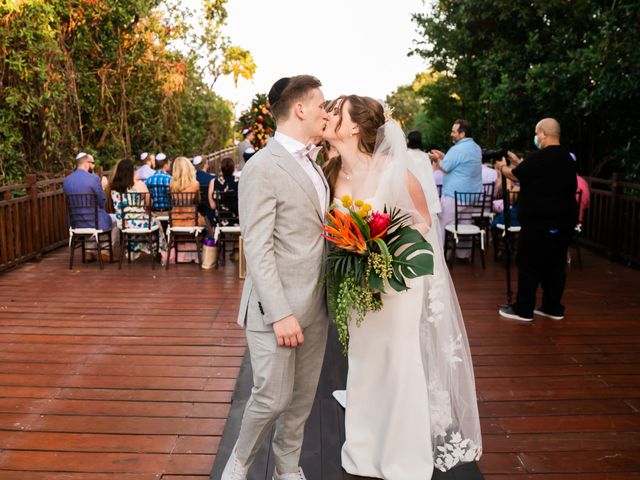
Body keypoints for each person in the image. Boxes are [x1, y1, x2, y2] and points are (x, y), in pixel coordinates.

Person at [322, 95, 481, 478]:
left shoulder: (393, 170)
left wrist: (384, 251)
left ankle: (402, 455)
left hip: (398, 282)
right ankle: (363, 449)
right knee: (362, 359)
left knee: (399, 359)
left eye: (336, 112)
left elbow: (424, 225)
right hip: (358, 280)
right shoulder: (328, 170)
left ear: (355, 126)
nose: (328, 116)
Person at [222, 75, 330, 480]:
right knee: (271, 396)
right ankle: (240, 463)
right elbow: (258, 247)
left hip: (316, 305)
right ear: (300, 108)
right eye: (321, 103)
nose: (326, 111)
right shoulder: (262, 167)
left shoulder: (316, 164)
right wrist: (280, 312)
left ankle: (288, 468)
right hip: (276, 308)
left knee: (301, 400)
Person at [497, 118, 577, 321]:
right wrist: (518, 161)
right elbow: (536, 171)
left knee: (529, 264)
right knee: (555, 265)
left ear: (543, 134)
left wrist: (503, 167)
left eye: (536, 133)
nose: (536, 137)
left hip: (538, 223)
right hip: (564, 222)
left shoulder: (540, 156)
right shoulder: (568, 159)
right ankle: (553, 307)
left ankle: (524, 309)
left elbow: (515, 175)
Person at [428, 120, 482, 257]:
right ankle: (463, 255)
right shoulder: (476, 148)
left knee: (441, 222)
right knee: (465, 223)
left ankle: (439, 256)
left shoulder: (457, 149)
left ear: (462, 134)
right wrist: (443, 157)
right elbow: (458, 164)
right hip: (472, 196)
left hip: (454, 196)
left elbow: (445, 167)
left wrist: (436, 159)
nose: (451, 134)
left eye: (454, 131)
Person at [63, 152, 118, 260]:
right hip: (94, 221)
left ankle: (89, 251)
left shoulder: (67, 181)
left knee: (90, 220)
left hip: (75, 222)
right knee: (116, 220)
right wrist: (102, 187)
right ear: (86, 163)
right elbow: (102, 202)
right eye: (92, 163)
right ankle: (105, 251)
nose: (92, 166)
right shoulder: (94, 179)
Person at [110, 159, 167, 259]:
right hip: (141, 221)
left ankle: (133, 248)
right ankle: (159, 251)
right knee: (157, 223)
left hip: (124, 223)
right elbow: (149, 203)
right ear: (131, 171)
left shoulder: (113, 188)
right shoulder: (139, 184)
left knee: (148, 222)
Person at [407, 130, 441, 217]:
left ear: (409, 141)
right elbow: (429, 177)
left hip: (410, 191)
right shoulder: (425, 156)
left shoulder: (405, 155)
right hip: (425, 191)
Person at [213, 156, 240, 226]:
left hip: (220, 218)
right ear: (233, 168)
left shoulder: (217, 181)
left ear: (221, 168)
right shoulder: (238, 181)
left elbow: (214, 200)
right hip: (236, 218)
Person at [192, 155, 216, 225]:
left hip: (196, 211)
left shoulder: (191, 179)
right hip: (210, 212)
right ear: (205, 165)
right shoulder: (212, 178)